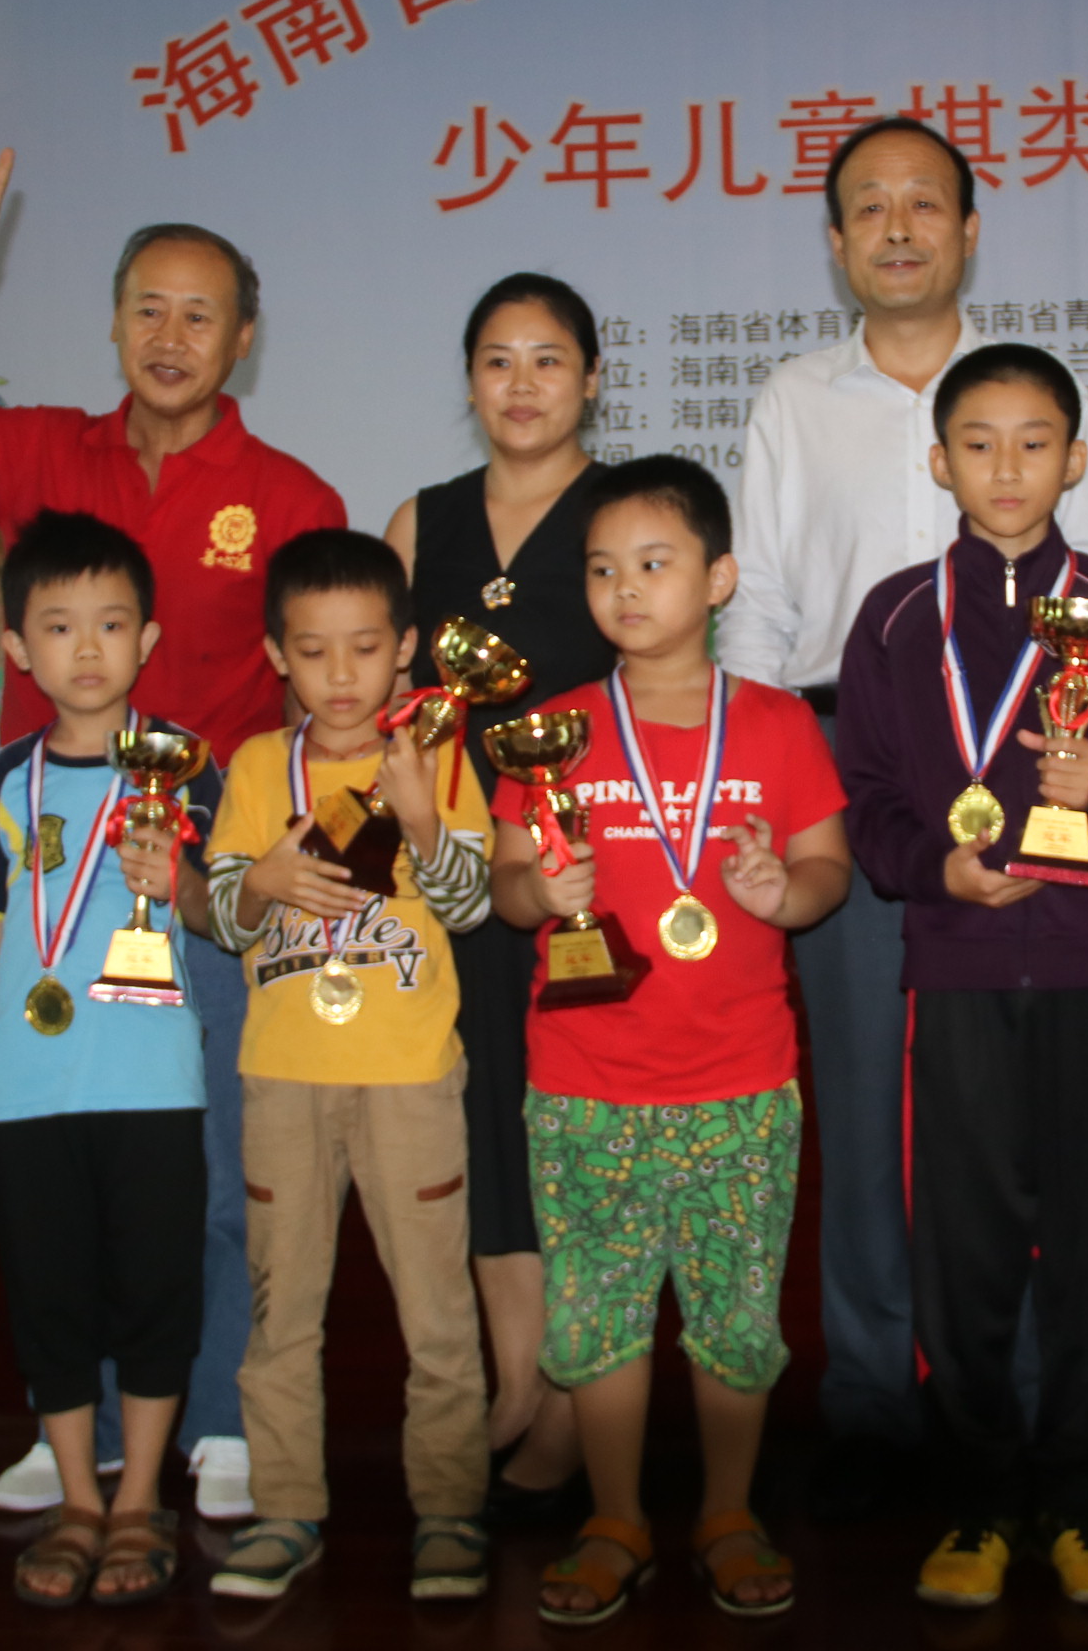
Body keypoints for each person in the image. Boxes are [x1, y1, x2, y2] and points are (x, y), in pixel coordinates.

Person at [0, 144, 346, 1518]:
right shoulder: (43, 450)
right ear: (115, 322)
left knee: (210, 1167)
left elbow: (321, 699)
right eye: (147, 309)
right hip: (55, 869)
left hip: (201, 879)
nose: (170, 336)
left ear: (243, 339)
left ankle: (219, 1417)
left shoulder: (292, 496)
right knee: (63, 1162)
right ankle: (79, 1423)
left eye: (200, 315)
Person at [723, 116, 1088, 1510]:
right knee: (863, 1090)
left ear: (969, 230)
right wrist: (757, 782)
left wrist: (1070, 770)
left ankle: (1016, 1396)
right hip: (849, 765)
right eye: (871, 208)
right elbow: (761, 608)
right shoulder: (793, 400)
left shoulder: (1034, 389)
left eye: (925, 204)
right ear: (838, 243)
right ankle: (874, 1395)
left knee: (1009, 1102)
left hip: (1025, 761)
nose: (899, 228)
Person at [836, 345, 1088, 1610]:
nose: (1007, 467)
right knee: (965, 1249)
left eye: (1035, 441)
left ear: (1076, 459)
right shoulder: (895, 616)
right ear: (939, 462)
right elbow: (868, 800)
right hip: (955, 969)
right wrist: (936, 870)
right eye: (979, 443)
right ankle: (980, 1504)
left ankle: (1087, 1507)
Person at [491, 457, 852, 1625]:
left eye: (654, 563)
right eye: (603, 569)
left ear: (719, 579)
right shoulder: (551, 733)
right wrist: (540, 894)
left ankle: (728, 1512)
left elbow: (828, 866)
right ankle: (615, 1518)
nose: (626, 588)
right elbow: (505, 881)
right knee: (596, 1316)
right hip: (585, 1083)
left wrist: (783, 891)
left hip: (740, 1081)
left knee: (736, 1315)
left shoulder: (780, 724)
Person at [201, 529, 499, 1604]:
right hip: (282, 1077)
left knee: (439, 1316)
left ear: (405, 648)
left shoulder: (440, 758)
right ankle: (285, 1510)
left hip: (411, 1076)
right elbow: (223, 919)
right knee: (281, 1313)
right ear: (276, 654)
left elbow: (470, 907)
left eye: (366, 648)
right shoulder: (253, 767)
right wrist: (262, 881)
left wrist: (419, 816)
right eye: (313, 650)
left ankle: (451, 1511)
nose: (340, 675)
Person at [0, 512, 224, 1606]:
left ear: (147, 639)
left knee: (155, 1288)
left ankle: (141, 1497)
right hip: (29, 1083)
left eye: (111, 623)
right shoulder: (8, 777)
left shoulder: (184, 766)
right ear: (18, 648)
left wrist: (175, 880)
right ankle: (75, 1499)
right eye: (59, 626)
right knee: (48, 1292)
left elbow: (217, 914)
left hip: (151, 1079)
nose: (88, 647)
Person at [382, 273, 611, 1521]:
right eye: (497, 360)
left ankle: (577, 1397)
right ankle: (521, 1385)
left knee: (575, 1126)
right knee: (484, 1124)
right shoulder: (420, 523)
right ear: (469, 379)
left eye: (548, 359)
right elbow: (385, 700)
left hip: (587, 874)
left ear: (591, 378)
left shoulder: (622, 514)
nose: (521, 384)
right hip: (460, 877)